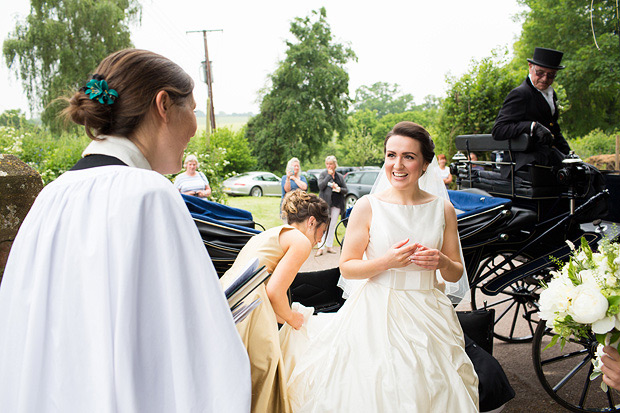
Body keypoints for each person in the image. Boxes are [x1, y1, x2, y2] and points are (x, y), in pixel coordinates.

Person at [0, 49, 250, 412]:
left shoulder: (51, 196)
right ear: (163, 104)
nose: (194, 126)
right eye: (192, 109)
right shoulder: (149, 194)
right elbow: (198, 348)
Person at [285, 121, 479, 411]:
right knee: (382, 388)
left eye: (408, 157)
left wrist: (440, 261)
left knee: (435, 388)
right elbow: (347, 266)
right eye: (391, 155)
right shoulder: (368, 206)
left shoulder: (443, 209)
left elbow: (455, 272)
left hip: (428, 311)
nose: (397, 165)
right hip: (378, 311)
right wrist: (386, 261)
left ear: (425, 165)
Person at [220, 189, 329, 413]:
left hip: (228, 299)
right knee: (263, 378)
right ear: (311, 222)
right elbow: (274, 292)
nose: (319, 240)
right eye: (322, 232)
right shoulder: (300, 241)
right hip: (251, 304)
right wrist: (293, 318)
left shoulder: (271, 233)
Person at [492, 47, 571, 175]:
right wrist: (531, 126)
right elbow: (498, 130)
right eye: (540, 73)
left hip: (546, 158)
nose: (545, 79)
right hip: (524, 163)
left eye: (550, 75)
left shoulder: (551, 94)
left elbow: (554, 129)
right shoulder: (520, 94)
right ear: (530, 67)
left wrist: (571, 156)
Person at [316, 155, 347, 256]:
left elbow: (346, 190)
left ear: (335, 165)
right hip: (325, 204)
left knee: (332, 225)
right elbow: (320, 186)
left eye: (331, 164)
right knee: (323, 224)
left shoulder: (339, 176)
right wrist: (329, 176)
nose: (329, 166)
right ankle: (320, 247)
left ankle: (329, 246)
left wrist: (338, 189)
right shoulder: (323, 174)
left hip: (337, 204)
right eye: (327, 164)